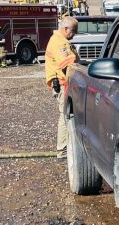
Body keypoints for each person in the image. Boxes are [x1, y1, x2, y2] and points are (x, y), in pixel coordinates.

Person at [44, 16, 79, 159]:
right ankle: (63, 150)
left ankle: (64, 147)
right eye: (73, 31)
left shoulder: (59, 40)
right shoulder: (59, 42)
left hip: (62, 83)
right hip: (62, 84)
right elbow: (67, 62)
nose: (74, 35)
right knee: (65, 116)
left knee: (66, 115)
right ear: (66, 29)